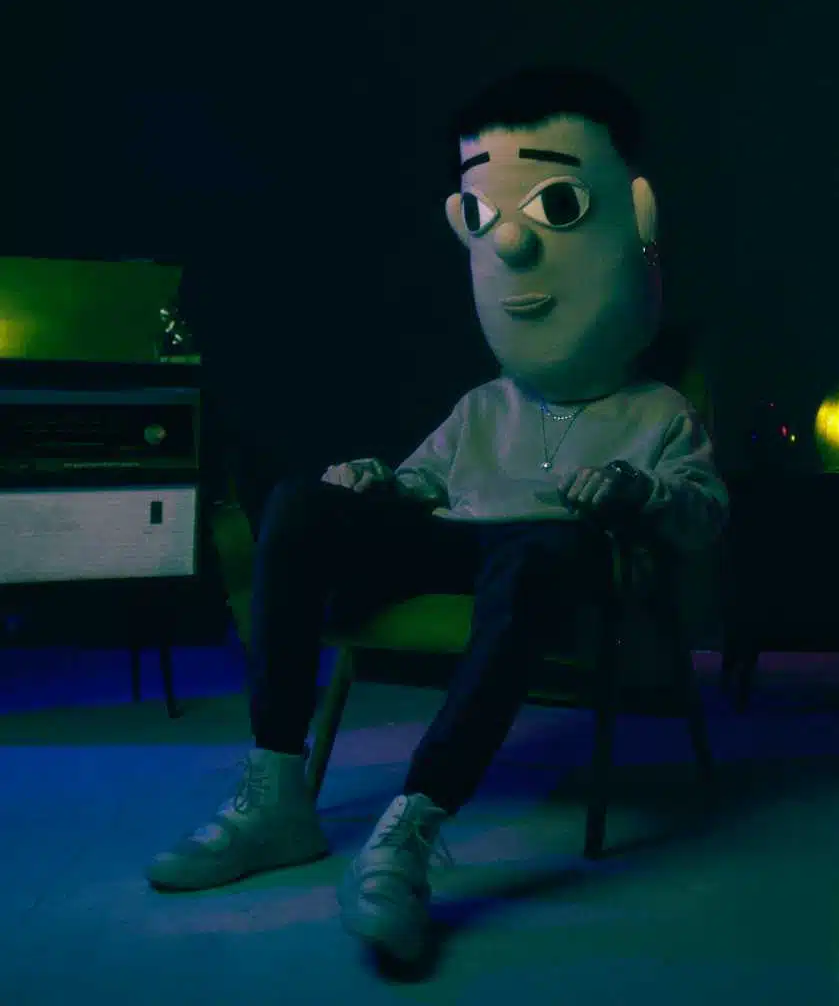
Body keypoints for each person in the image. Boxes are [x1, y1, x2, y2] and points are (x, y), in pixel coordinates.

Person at [146, 66, 729, 966]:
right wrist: (379, 482)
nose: (513, 246)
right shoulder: (484, 406)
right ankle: (275, 788)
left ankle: (411, 826)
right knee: (304, 503)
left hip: (550, 570)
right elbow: (425, 479)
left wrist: (636, 490)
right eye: (484, 217)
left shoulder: (658, 412)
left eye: (559, 205)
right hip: (459, 545)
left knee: (537, 552)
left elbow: (703, 513)